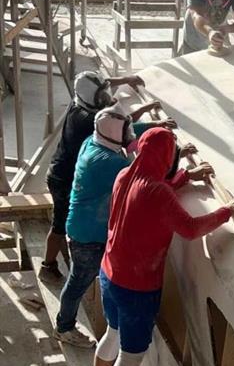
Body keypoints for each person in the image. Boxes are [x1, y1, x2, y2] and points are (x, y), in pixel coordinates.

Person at [86, 126, 234, 366]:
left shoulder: (125, 175)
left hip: (110, 273)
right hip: (136, 286)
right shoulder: (157, 192)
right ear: (166, 157)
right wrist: (226, 212)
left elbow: (151, 193)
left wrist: (185, 177)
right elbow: (188, 228)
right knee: (131, 356)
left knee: (112, 334)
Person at [54, 101, 191, 348]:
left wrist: (155, 127)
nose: (131, 134)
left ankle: (67, 324)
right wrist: (184, 176)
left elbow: (128, 131)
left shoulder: (93, 141)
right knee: (79, 281)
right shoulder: (112, 163)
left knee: (80, 278)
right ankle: (64, 327)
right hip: (89, 236)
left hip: (80, 226)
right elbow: (147, 187)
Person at [41, 69, 156, 282]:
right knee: (60, 222)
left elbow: (101, 85)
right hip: (63, 179)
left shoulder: (79, 102)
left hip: (61, 169)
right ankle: (47, 266)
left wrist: (125, 79)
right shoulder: (90, 120)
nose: (107, 98)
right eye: (102, 96)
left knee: (66, 218)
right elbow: (123, 128)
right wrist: (152, 124)